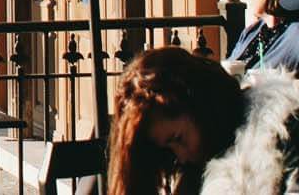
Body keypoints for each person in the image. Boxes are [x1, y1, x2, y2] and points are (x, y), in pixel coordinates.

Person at [107, 45, 299, 194]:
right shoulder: (194, 173)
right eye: (170, 150)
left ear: (201, 109)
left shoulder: (283, 130)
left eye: (178, 139)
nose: (181, 156)